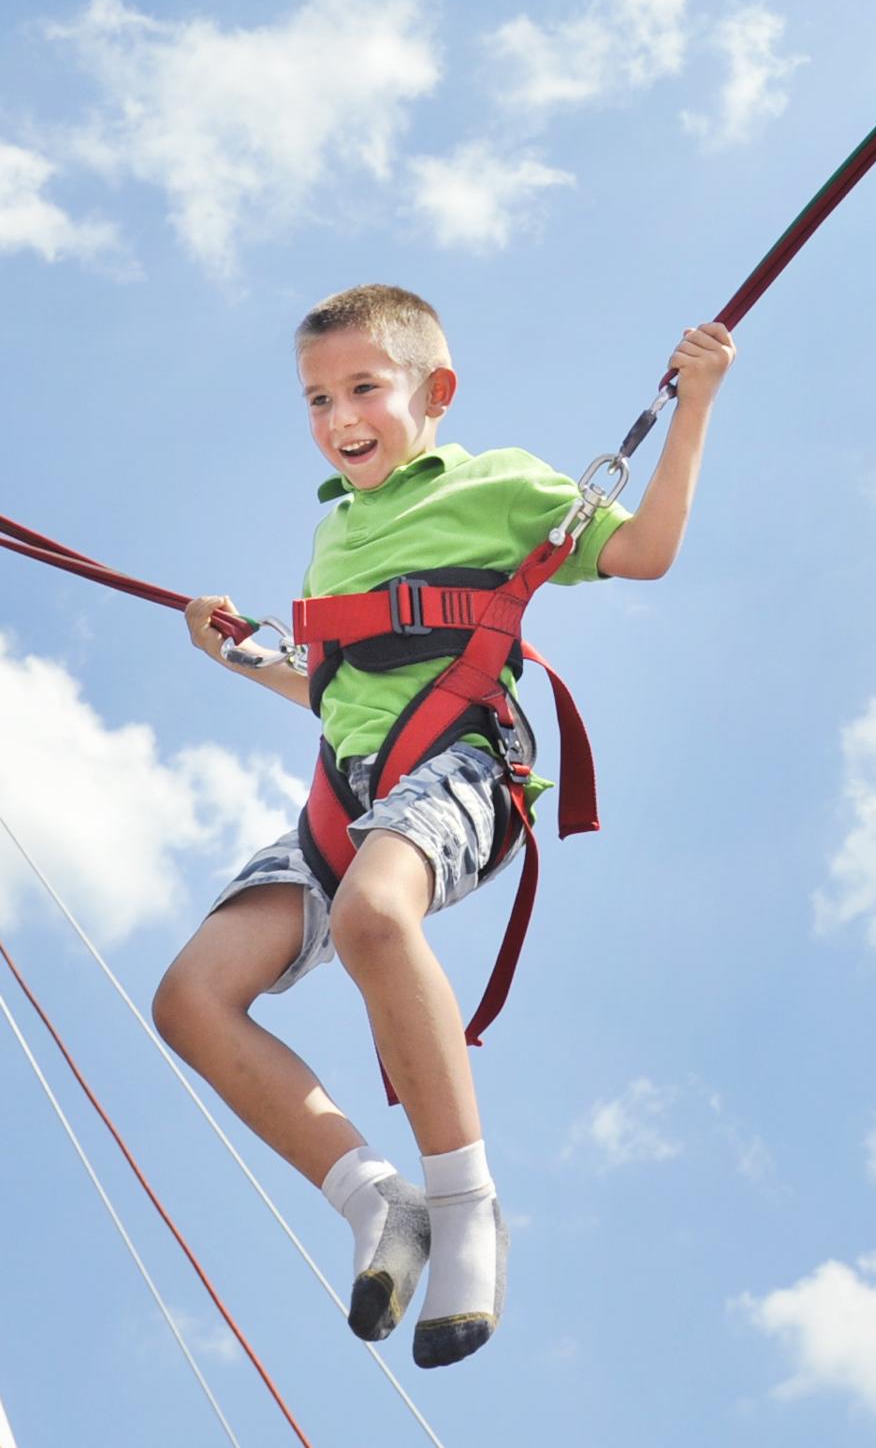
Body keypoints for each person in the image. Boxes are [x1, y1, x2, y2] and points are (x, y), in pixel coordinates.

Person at [154, 284, 734, 1368]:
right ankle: (383, 1203)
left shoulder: (502, 483)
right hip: (348, 788)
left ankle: (467, 1207)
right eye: (318, 398)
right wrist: (239, 652)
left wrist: (693, 402)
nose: (340, 417)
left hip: (464, 765)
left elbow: (647, 550)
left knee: (378, 915)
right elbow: (334, 690)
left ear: (436, 391)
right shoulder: (334, 538)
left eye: (363, 388)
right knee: (190, 998)